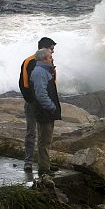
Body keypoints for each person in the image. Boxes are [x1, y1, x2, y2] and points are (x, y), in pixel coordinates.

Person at [18, 37, 56, 173]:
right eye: (52, 49)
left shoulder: (49, 61)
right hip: (33, 104)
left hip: (44, 104)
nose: (53, 52)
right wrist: (32, 101)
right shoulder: (28, 61)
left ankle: (44, 163)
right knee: (31, 132)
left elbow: (52, 82)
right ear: (44, 49)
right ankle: (28, 162)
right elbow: (23, 84)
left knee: (44, 135)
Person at [29, 46, 62, 176]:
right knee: (44, 140)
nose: (52, 59)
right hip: (44, 112)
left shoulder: (44, 70)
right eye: (50, 57)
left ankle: (46, 164)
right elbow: (41, 94)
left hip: (46, 112)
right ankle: (43, 168)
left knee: (46, 139)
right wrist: (52, 107)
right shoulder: (40, 72)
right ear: (43, 59)